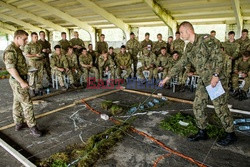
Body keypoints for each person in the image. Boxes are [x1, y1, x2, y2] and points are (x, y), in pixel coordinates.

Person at [159, 21, 236, 146]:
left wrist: (216, 75)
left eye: (181, 32)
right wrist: (167, 78)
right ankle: (202, 131)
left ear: (188, 31)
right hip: (203, 80)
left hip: (215, 79)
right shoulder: (189, 47)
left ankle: (230, 134)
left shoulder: (206, 40)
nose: (180, 34)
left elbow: (219, 57)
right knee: (198, 105)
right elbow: (181, 63)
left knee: (220, 107)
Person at [3, 30, 42, 137]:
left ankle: (19, 123)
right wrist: (22, 82)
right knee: (27, 103)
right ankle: (32, 126)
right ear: (17, 38)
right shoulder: (11, 51)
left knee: (17, 102)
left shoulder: (17, 49)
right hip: (18, 81)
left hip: (18, 79)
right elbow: (11, 68)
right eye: (24, 39)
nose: (26, 41)